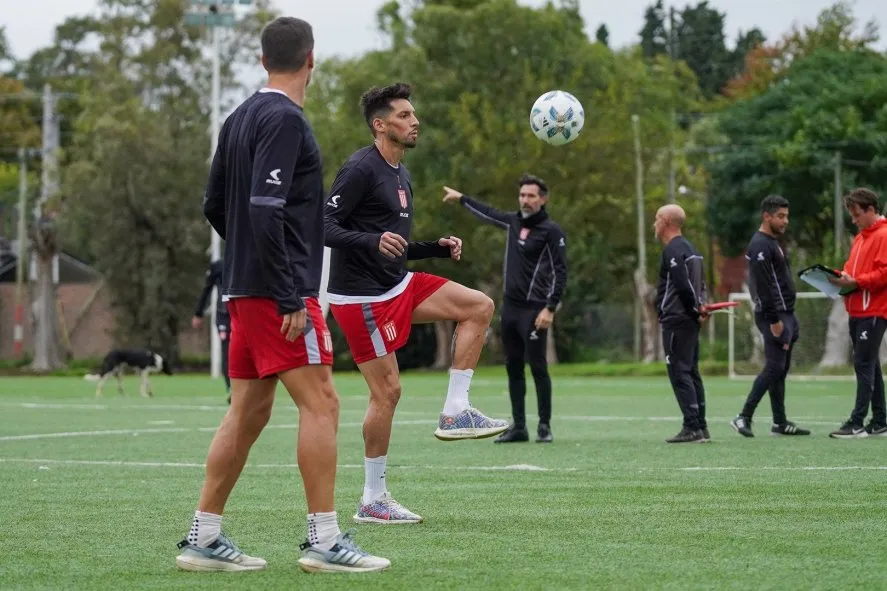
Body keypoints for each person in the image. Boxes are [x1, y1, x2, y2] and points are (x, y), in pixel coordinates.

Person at [174, 17, 389, 574]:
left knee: (247, 412)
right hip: (282, 293)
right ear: (311, 58)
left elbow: (215, 207)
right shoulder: (285, 119)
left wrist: (248, 261)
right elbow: (265, 209)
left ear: (263, 58)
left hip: (244, 289)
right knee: (323, 403)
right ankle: (324, 539)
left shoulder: (239, 116)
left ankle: (204, 536)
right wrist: (291, 290)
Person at [324, 82, 509, 525]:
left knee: (479, 306)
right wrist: (369, 240)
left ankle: (455, 411)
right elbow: (322, 227)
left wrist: (435, 248)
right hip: (360, 297)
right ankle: (372, 499)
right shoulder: (360, 168)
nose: (414, 121)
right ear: (380, 124)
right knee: (387, 392)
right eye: (404, 115)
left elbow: (395, 245)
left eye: (413, 114)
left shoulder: (400, 173)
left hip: (396, 283)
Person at [442, 175, 568, 443]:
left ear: (543, 199)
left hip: (535, 310)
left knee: (538, 367)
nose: (525, 200)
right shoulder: (513, 221)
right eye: (522, 195)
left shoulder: (551, 231)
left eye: (531, 195)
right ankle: (519, 427)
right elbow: (488, 213)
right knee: (513, 367)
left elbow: (561, 272)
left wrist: (550, 308)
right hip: (510, 309)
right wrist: (462, 198)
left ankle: (544, 426)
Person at [729, 196, 810, 437]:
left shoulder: (773, 242)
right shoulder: (760, 245)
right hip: (773, 316)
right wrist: (775, 321)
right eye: (781, 216)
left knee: (781, 369)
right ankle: (743, 416)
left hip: (786, 314)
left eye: (786, 216)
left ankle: (780, 422)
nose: (786, 221)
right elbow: (762, 287)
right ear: (767, 216)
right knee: (774, 367)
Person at [828, 188, 887, 439]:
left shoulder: (884, 235)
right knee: (870, 364)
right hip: (856, 310)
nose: (854, 220)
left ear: (871, 210)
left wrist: (855, 282)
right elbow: (851, 270)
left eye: (857, 214)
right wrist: (837, 276)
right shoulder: (860, 238)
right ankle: (881, 420)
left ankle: (857, 422)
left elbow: (884, 274)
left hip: (874, 310)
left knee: (862, 363)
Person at [653, 204, 710, 443]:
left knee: (679, 371)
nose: (653, 225)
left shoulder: (673, 250)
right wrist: (701, 306)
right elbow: (701, 284)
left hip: (678, 319)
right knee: (691, 371)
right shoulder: (691, 249)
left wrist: (693, 309)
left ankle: (692, 426)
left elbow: (682, 285)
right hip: (688, 319)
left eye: (656, 219)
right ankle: (701, 425)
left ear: (666, 221)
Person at [192, 258, 232, 404]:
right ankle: (231, 389)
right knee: (227, 352)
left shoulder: (246, 260)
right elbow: (207, 288)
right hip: (224, 315)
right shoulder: (218, 266)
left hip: (244, 314)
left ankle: (246, 389)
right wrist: (198, 313)